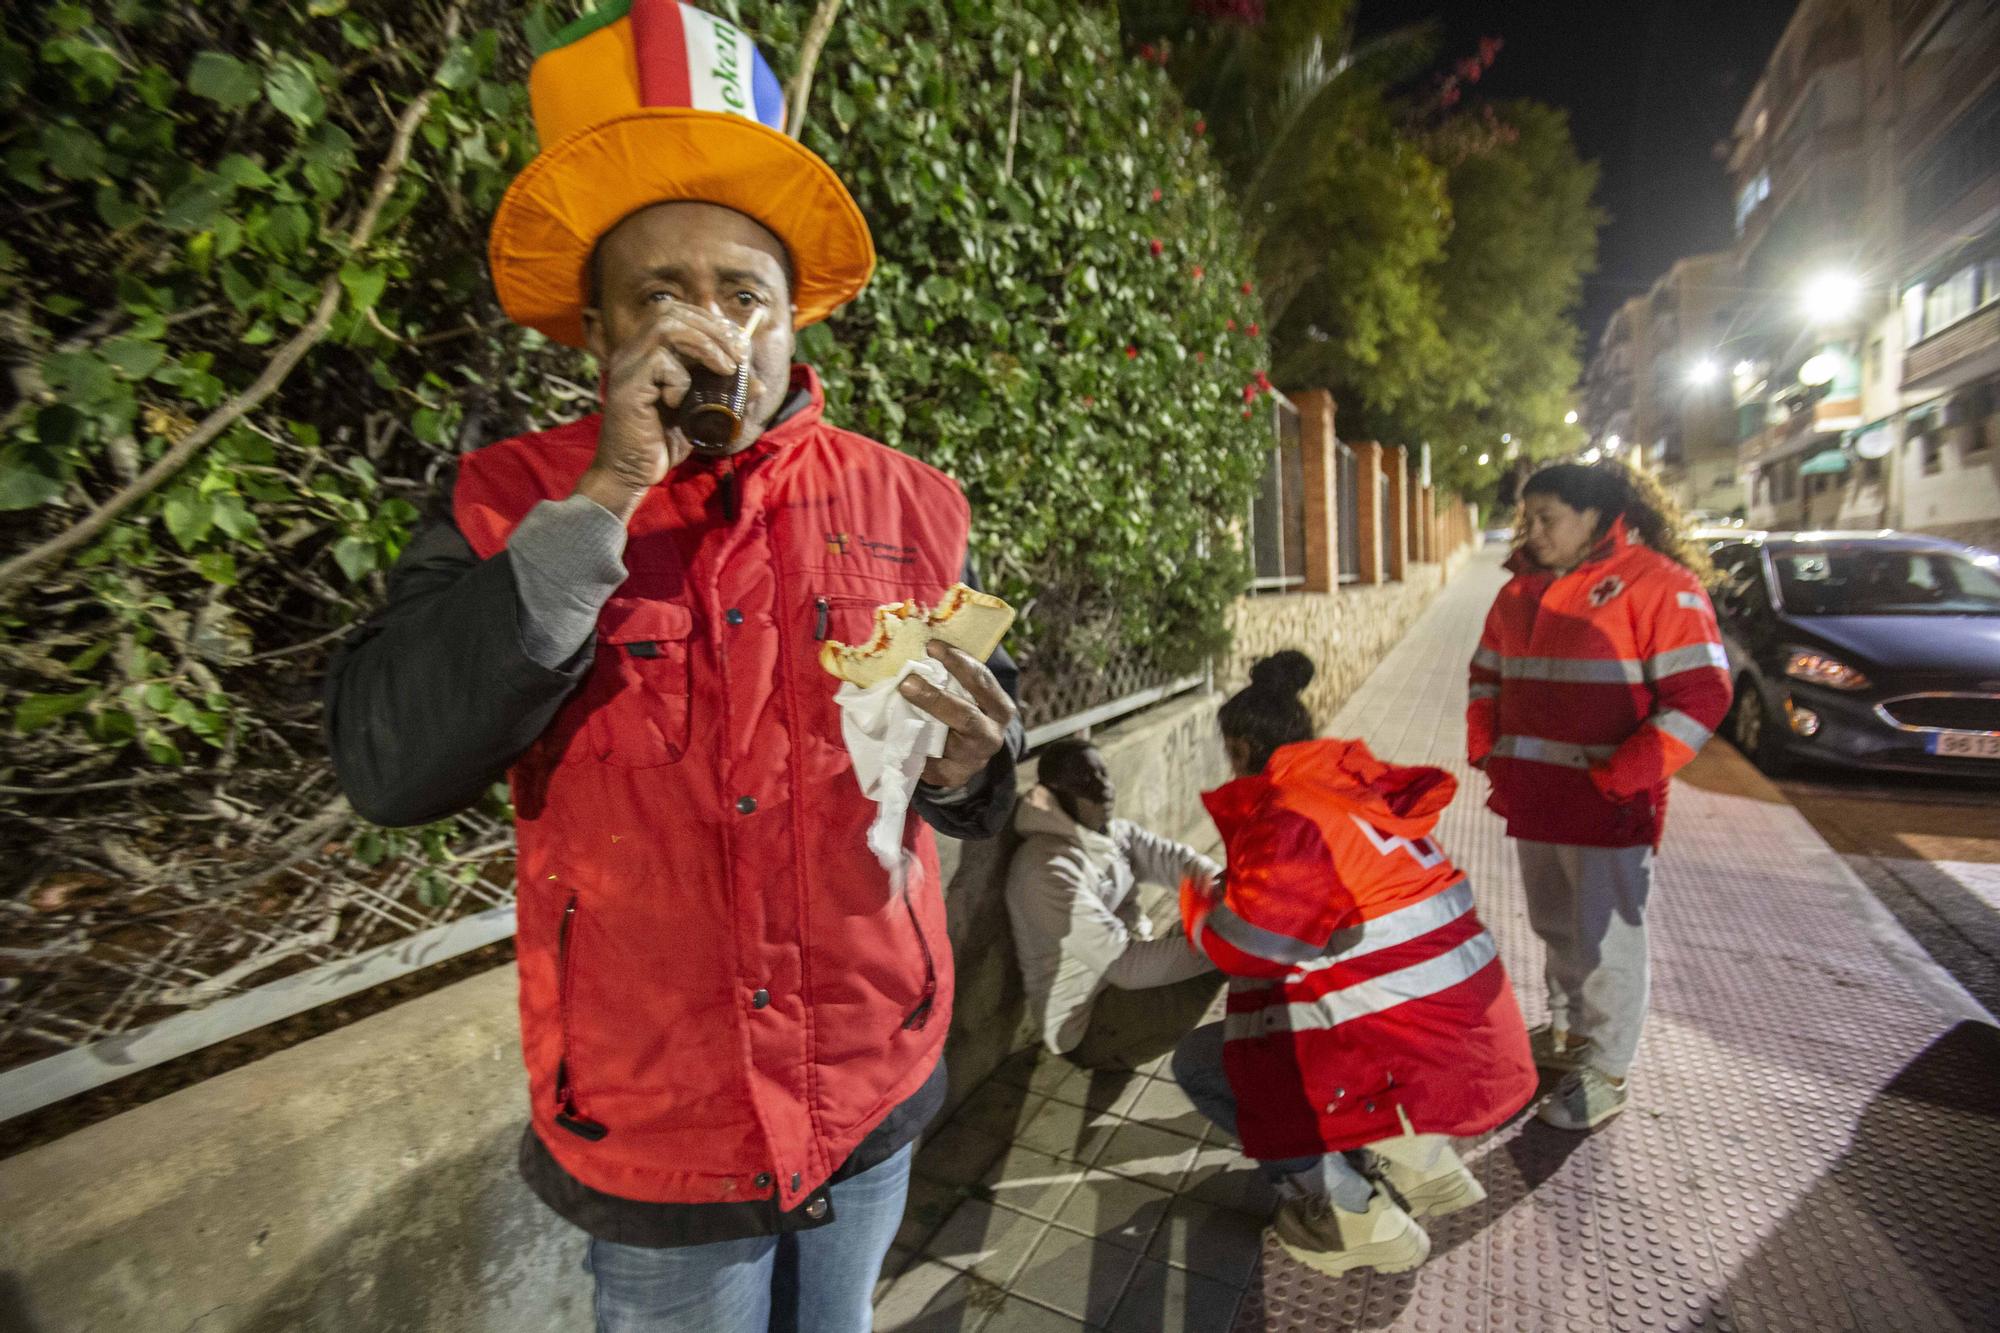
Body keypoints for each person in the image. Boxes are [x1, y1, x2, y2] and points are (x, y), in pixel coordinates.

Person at [323, 6, 1021, 1329]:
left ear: (792, 321)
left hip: (871, 1072)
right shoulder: (499, 503)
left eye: (743, 293)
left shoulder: (914, 503)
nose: (710, 327)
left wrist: (978, 761)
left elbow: (967, 776)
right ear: (597, 333)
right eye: (659, 294)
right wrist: (608, 492)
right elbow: (387, 763)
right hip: (657, 1120)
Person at [1173, 653, 1537, 1276]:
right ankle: (1422, 1165)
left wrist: (1198, 901)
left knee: (1210, 1064)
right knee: (1308, 1025)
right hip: (1471, 1034)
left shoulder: (1287, 815)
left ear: (1240, 748)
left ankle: (1354, 1217)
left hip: (1420, 1048)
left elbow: (1246, 948)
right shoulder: (1350, 793)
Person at [1468, 461, 1731, 1131]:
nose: (1532, 531)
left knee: (1608, 941)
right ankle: (1570, 1032)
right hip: (1536, 797)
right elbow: (1486, 677)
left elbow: (1700, 696)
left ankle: (1608, 1066)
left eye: (1547, 518)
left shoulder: (1659, 586)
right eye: (1527, 518)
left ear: (1594, 516)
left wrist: (1622, 775)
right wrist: (1488, 752)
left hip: (1609, 806)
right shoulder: (1518, 592)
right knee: (1557, 927)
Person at [1005, 738, 1220, 1068]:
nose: (1103, 787)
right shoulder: (1045, 870)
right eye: (1083, 780)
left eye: (1103, 774)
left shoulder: (1110, 833)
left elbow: (1180, 863)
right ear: (1055, 793)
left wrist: (1229, 891)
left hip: (1117, 987)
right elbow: (1124, 966)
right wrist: (1227, 942)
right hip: (1086, 1026)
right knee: (1229, 947)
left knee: (1226, 917)